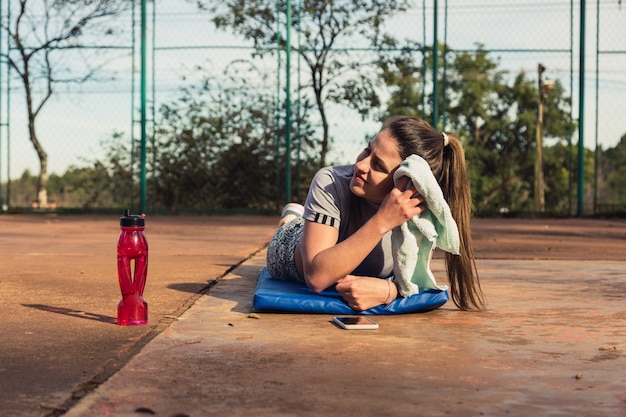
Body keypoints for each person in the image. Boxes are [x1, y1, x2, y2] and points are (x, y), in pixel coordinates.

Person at [266, 115, 485, 311]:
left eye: (378, 165)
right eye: (368, 150)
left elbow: (416, 278)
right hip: (290, 247)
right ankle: (293, 217)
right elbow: (316, 277)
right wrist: (382, 220)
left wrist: (390, 290)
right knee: (293, 226)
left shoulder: (421, 210)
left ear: (407, 181)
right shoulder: (330, 182)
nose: (361, 164)